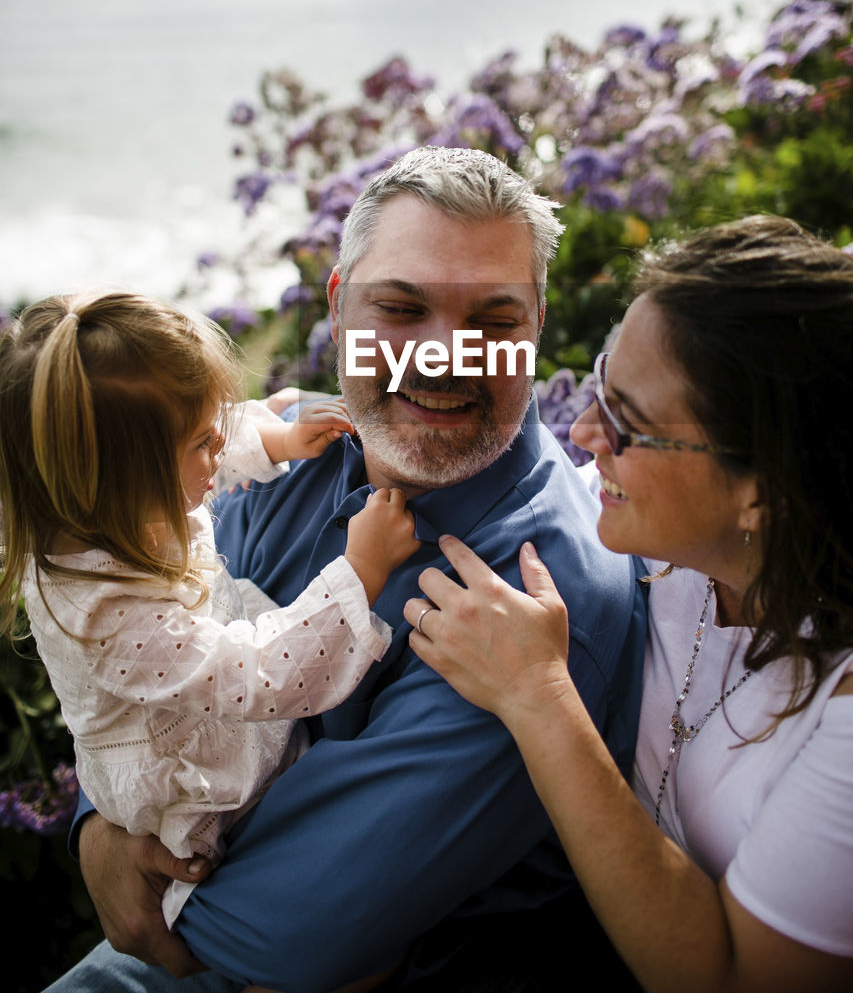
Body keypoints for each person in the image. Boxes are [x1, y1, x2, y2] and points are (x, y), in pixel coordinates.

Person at [51, 146, 647, 992]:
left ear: (536, 330)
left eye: (495, 322)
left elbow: (279, 935)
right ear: (337, 308)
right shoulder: (285, 454)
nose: (443, 357)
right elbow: (150, 650)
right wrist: (98, 833)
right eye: (401, 309)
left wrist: (138, 865)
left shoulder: (533, 598)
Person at [405, 215, 853, 993]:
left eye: (628, 423)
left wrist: (539, 699)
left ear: (763, 491)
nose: (583, 432)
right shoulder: (659, 535)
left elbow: (736, 979)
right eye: (600, 386)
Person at [0, 291, 419, 931]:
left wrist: (275, 437)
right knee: (333, 923)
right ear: (117, 482)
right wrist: (361, 572)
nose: (218, 443)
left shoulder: (113, 498)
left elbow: (201, 429)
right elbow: (258, 674)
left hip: (203, 683)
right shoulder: (105, 616)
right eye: (201, 443)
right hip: (197, 778)